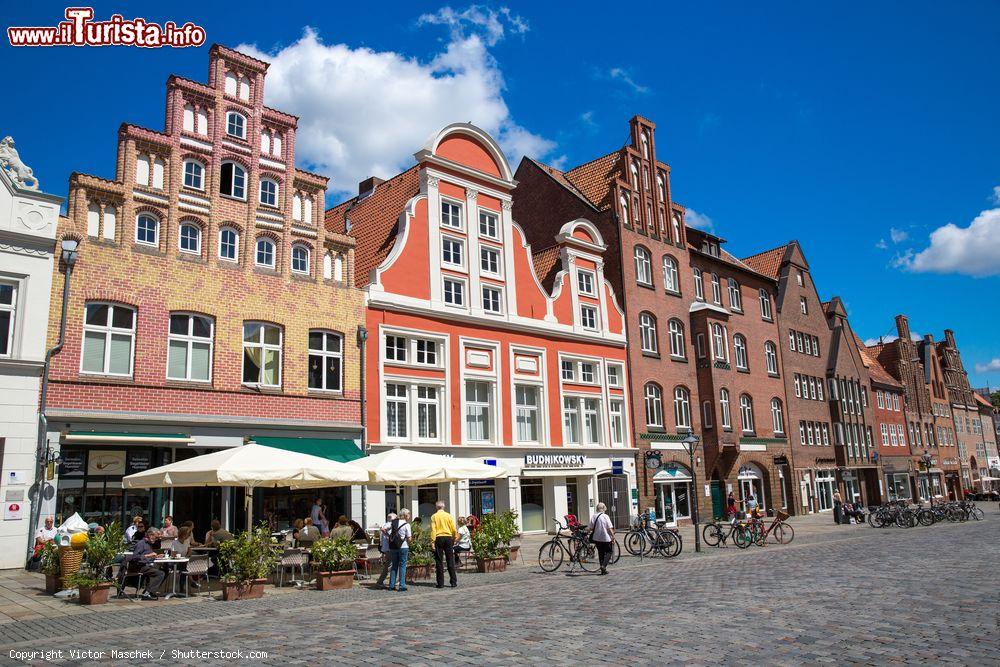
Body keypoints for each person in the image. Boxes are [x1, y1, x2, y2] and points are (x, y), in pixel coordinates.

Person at [429, 501, 458, 589]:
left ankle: (440, 583)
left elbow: (433, 530)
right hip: (448, 537)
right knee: (450, 560)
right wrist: (454, 537)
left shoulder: (434, 516)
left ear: (436, 507)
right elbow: (453, 528)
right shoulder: (448, 515)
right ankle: (453, 582)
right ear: (444, 507)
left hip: (439, 537)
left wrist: (432, 541)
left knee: (439, 561)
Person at [131, 528, 166, 600]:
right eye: (155, 537)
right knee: (160, 573)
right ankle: (147, 593)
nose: (156, 539)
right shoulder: (141, 543)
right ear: (150, 535)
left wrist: (156, 556)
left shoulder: (149, 544)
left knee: (165, 570)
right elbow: (135, 557)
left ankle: (149, 591)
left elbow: (148, 557)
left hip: (147, 565)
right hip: (140, 566)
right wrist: (148, 556)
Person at [384, 508, 412, 592]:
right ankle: (402, 585)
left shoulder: (393, 522)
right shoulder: (407, 525)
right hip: (403, 546)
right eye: (409, 514)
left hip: (393, 547)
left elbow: (383, 529)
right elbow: (409, 538)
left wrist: (389, 536)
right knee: (402, 565)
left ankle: (391, 585)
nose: (409, 516)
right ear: (406, 515)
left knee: (394, 565)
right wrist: (409, 542)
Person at [589, 502, 615, 575]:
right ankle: (603, 566)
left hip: (597, 538)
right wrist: (613, 536)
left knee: (601, 553)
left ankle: (603, 570)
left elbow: (591, 528)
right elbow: (609, 528)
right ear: (604, 508)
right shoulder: (605, 516)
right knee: (609, 552)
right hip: (605, 538)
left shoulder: (594, 516)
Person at [375, 513, 396, 588]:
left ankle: (384, 581)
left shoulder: (384, 524)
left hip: (385, 548)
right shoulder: (390, 525)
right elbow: (386, 533)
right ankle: (380, 582)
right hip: (390, 548)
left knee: (389, 564)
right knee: (389, 565)